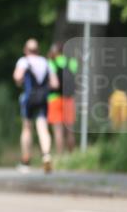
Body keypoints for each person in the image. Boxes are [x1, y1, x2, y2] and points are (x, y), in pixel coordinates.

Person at [13, 38, 58, 173]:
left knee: (27, 128)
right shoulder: (45, 62)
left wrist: (21, 82)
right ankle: (46, 155)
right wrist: (43, 89)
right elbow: (55, 84)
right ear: (38, 50)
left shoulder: (24, 61)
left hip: (29, 98)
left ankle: (26, 161)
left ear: (26, 50)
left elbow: (17, 77)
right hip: (43, 99)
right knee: (43, 128)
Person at [47, 42, 78, 154]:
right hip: (69, 99)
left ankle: (60, 157)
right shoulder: (72, 62)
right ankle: (72, 156)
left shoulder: (51, 62)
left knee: (58, 130)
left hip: (54, 98)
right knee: (70, 130)